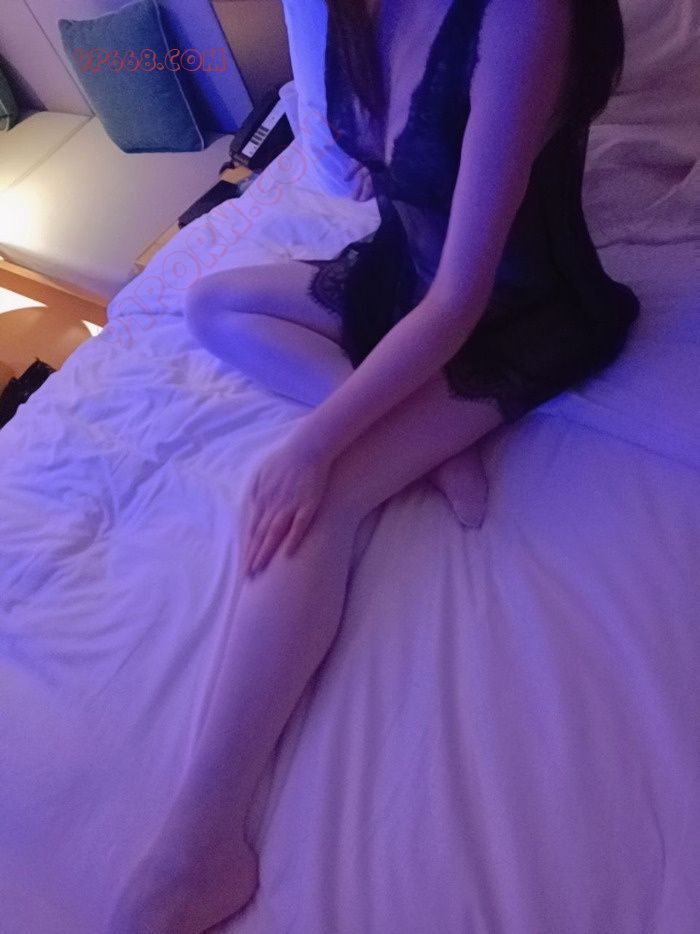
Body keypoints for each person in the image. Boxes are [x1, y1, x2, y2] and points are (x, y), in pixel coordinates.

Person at [113, 0, 640, 930]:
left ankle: (201, 844)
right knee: (211, 306)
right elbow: (382, 170)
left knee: (323, 499)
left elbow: (462, 296)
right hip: (403, 276)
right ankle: (430, 445)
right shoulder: (359, 7)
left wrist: (314, 445)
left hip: (511, 311)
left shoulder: (526, 15)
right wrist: (375, 162)